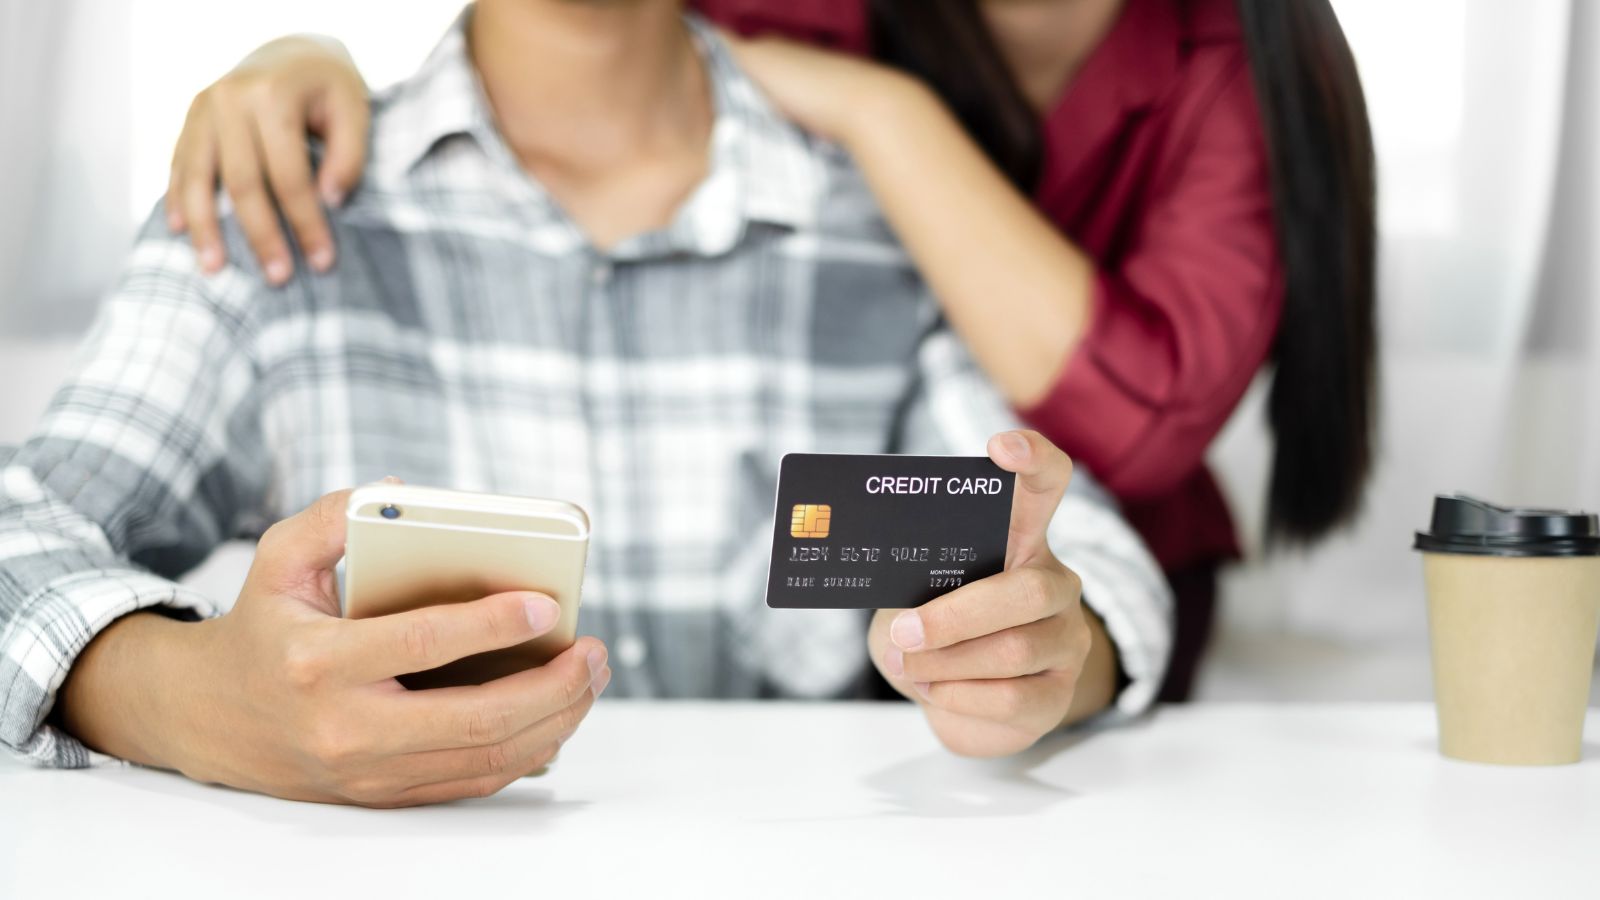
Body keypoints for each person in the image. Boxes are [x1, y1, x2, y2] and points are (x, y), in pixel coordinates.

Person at [0, 0, 1171, 807]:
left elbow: (1082, 562)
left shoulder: (888, 217)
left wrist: (1046, 654)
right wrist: (189, 699)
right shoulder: (269, 208)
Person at [166, 0, 1378, 701]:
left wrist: (880, 112)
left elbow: (1127, 431)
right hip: (864, 545)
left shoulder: (1236, 57)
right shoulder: (815, 11)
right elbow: (591, 58)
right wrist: (300, 61)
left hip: (1090, 581)